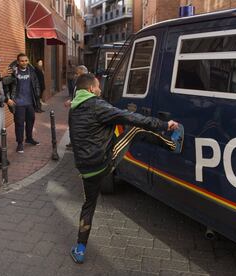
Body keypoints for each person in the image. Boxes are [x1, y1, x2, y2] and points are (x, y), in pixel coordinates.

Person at [69, 73, 179, 263]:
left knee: (88, 206)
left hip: (85, 170)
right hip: (103, 163)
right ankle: (172, 144)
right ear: (90, 90)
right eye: (97, 88)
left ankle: (79, 248)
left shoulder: (74, 108)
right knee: (135, 130)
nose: (100, 90)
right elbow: (130, 117)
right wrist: (163, 124)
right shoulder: (97, 105)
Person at [4, 53, 41, 153]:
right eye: (22, 61)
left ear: (28, 61)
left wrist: (37, 96)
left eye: (26, 60)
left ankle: (29, 138)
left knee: (30, 121)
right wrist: (8, 99)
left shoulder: (31, 70)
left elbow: (36, 83)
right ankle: (20, 143)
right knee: (19, 124)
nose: (24, 62)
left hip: (30, 102)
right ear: (18, 62)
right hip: (18, 102)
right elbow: (5, 85)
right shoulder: (13, 71)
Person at [64, 65, 89, 149]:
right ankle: (73, 142)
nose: (75, 75)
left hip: (80, 110)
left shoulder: (86, 84)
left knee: (78, 127)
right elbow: (76, 95)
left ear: (83, 74)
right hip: (74, 108)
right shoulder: (78, 82)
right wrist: (71, 100)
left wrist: (71, 102)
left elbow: (83, 98)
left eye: (77, 73)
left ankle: (76, 144)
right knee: (72, 125)